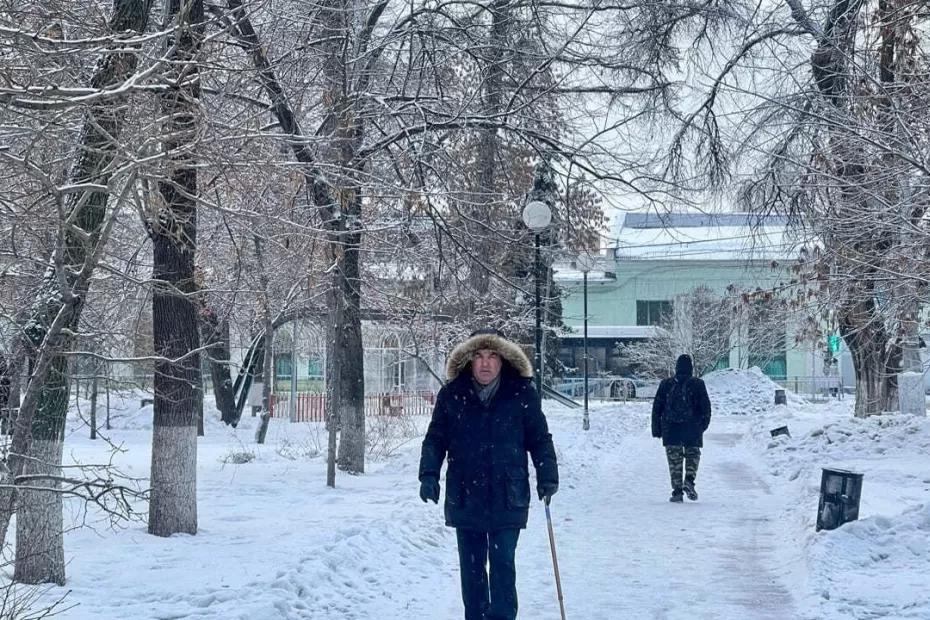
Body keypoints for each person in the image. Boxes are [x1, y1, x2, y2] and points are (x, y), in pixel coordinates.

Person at [419, 328, 559, 620]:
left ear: (503, 359)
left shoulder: (521, 393)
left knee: (502, 563)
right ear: (469, 360)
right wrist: (428, 474)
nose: (485, 363)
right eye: (479, 356)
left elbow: (539, 438)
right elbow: (436, 438)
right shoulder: (452, 394)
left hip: (508, 495)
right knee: (472, 570)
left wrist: (547, 475)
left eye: (492, 355)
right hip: (466, 495)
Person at [651, 354, 711, 502]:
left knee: (674, 460)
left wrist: (656, 428)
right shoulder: (698, 384)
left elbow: (657, 407)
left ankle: (677, 491)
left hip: (671, 428)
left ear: (676, 367)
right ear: (690, 368)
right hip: (692, 427)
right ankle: (689, 480)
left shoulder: (666, 384)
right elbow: (706, 407)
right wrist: (702, 426)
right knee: (692, 455)